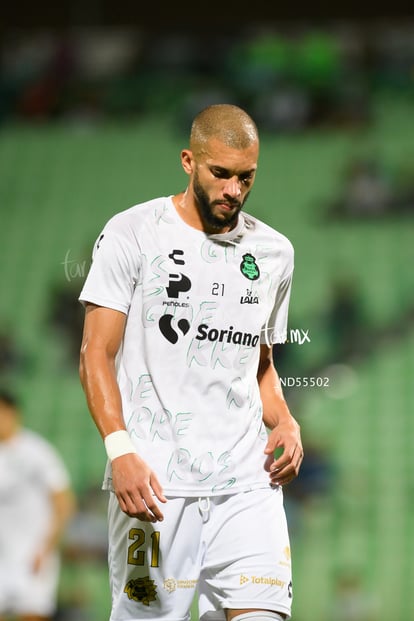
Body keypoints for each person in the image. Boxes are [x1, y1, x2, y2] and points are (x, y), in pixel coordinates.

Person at [78, 103, 303, 621]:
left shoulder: (274, 253)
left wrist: (285, 420)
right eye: (220, 174)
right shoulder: (133, 232)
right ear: (188, 160)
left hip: (248, 484)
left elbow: (260, 362)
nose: (234, 190)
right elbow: (95, 352)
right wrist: (120, 451)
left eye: (246, 178)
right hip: (156, 485)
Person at [0, 389, 76, 621]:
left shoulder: (36, 452)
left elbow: (64, 502)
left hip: (33, 556)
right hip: (2, 554)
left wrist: (47, 547)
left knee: (32, 614)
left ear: (14, 413)